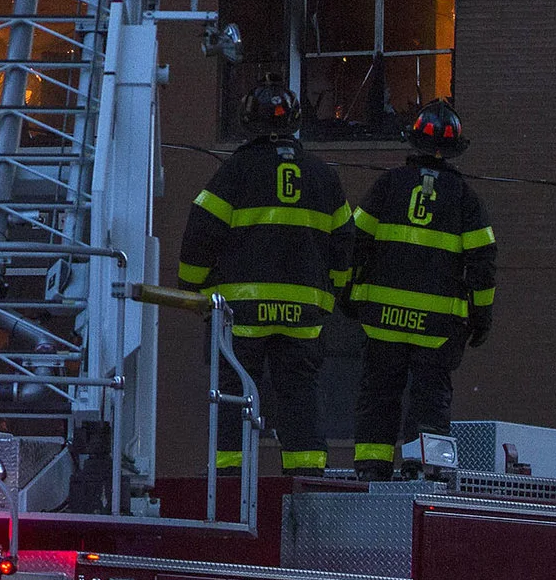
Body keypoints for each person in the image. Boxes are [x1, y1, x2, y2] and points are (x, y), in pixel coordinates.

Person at [177, 84, 353, 475]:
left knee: (235, 392)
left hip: (242, 314)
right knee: (300, 394)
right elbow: (345, 242)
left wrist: (196, 291)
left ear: (246, 122)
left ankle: (229, 479)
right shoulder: (323, 176)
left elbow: (200, 234)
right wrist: (332, 294)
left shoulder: (234, 173)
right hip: (304, 317)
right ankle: (306, 478)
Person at [346, 99, 496, 479]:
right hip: (437, 329)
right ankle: (422, 468)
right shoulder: (465, 199)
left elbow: (354, 241)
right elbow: (482, 263)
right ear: (455, 149)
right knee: (429, 401)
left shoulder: (388, 185)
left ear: (414, 143)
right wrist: (481, 317)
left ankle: (371, 468)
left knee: (379, 395)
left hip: (382, 322)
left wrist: (348, 292)